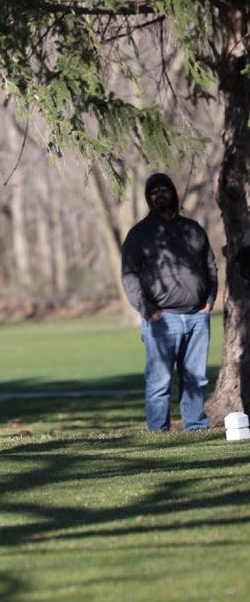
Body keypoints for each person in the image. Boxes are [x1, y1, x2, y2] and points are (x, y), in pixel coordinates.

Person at [120, 172, 218, 432]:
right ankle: (158, 432)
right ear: (148, 198)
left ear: (173, 193)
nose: (159, 194)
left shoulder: (192, 229)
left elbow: (210, 266)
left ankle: (195, 426)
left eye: (164, 189)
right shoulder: (139, 234)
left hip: (198, 316)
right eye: (154, 191)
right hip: (161, 320)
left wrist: (209, 301)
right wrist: (147, 309)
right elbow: (129, 275)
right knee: (159, 381)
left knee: (195, 379)